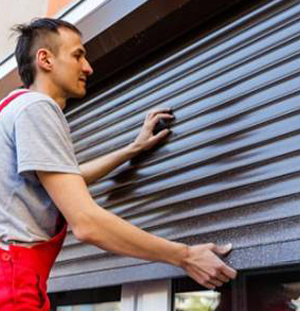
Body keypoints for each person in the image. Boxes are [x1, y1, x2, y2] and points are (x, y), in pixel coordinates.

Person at [0, 18, 237, 310]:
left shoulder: (12, 109)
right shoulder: (38, 108)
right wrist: (185, 255)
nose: (88, 67)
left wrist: (131, 150)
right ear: (45, 59)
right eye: (78, 55)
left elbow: (68, 179)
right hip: (12, 282)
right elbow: (86, 223)